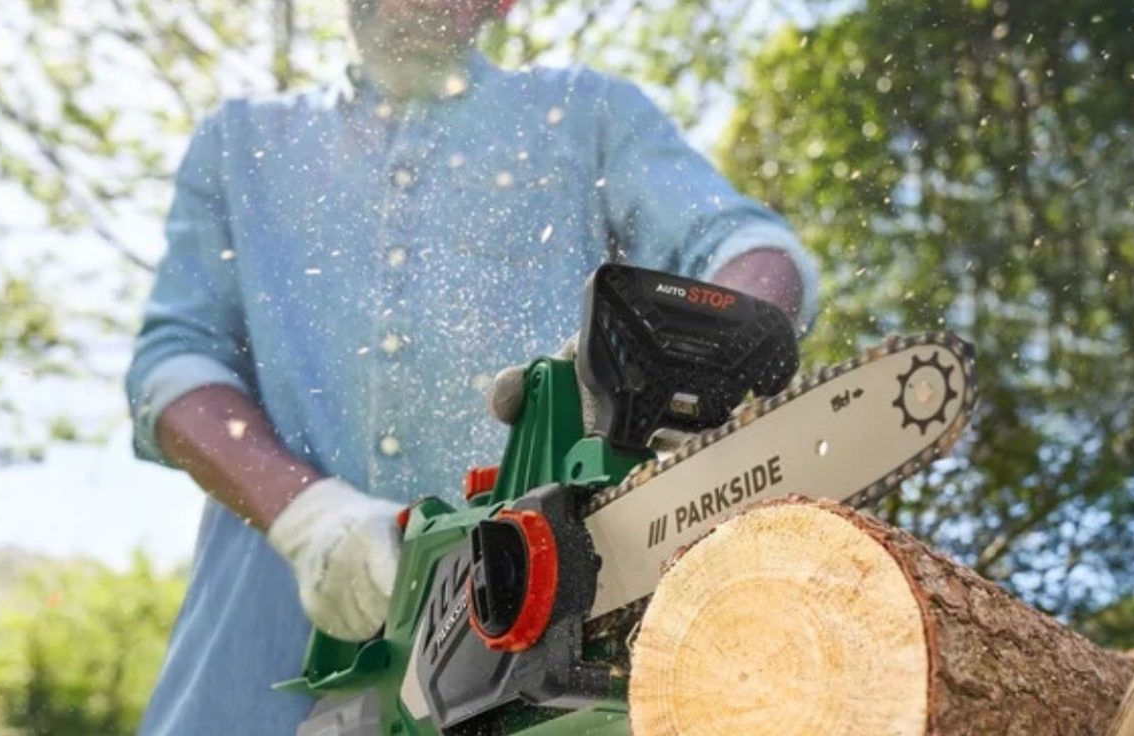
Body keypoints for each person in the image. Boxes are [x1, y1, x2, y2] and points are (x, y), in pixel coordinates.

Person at [125, 0, 820, 733]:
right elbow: (172, 366)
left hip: (525, 677)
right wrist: (305, 515)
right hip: (250, 678)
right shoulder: (242, 143)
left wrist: (703, 349)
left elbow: (747, 247)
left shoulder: (587, 116)